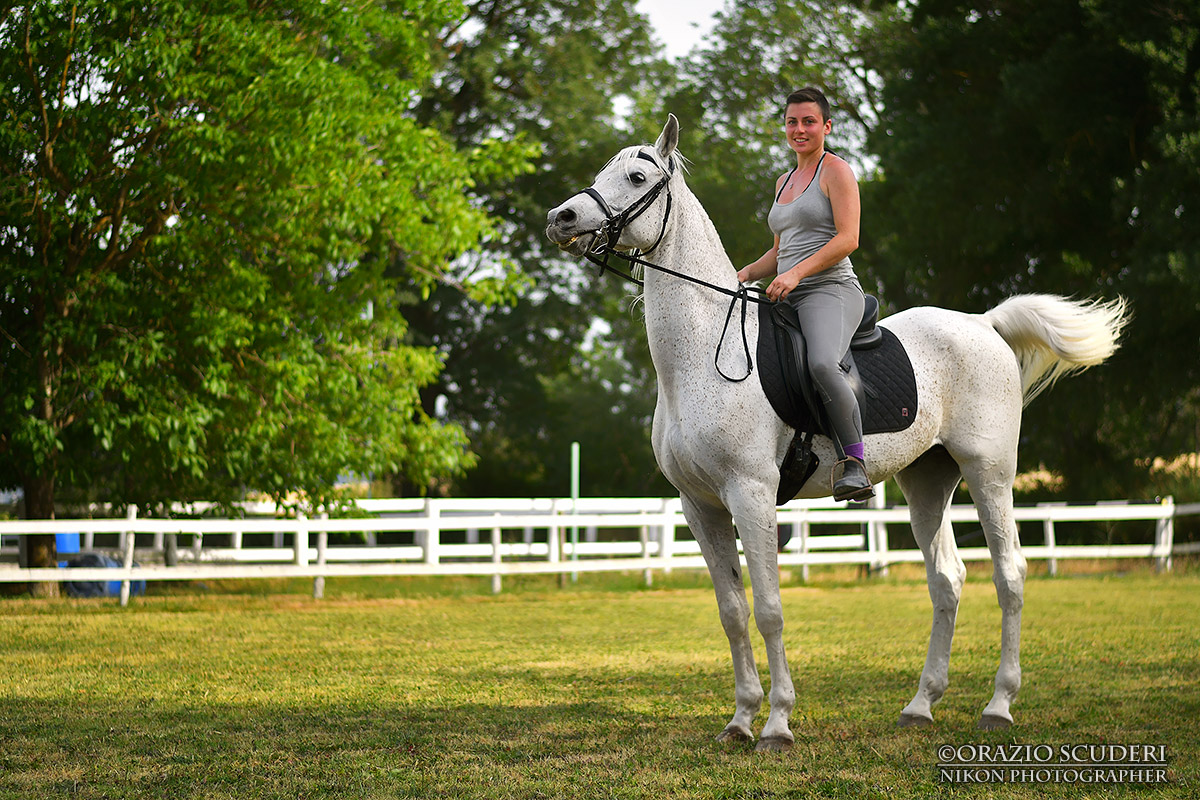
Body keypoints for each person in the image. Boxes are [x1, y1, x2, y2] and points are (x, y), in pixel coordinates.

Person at [735, 87, 873, 501]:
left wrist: (795, 275)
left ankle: (854, 462)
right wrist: (740, 274)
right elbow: (779, 253)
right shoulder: (783, 181)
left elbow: (848, 239)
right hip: (787, 289)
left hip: (830, 289)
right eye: (792, 121)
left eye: (809, 121)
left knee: (821, 363)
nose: (800, 129)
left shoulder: (836, 172)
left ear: (826, 126)